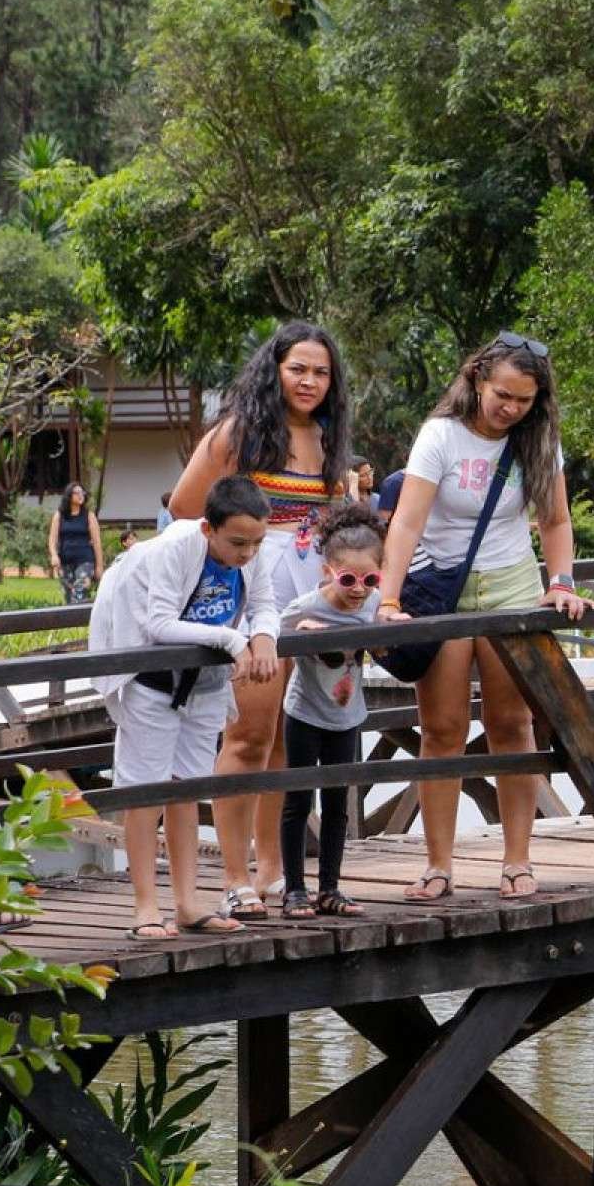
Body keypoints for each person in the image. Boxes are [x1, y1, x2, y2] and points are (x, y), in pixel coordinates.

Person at [374, 331, 590, 902]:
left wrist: (561, 582)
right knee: (442, 729)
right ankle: (437, 865)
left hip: (511, 588)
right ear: (477, 380)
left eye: (523, 400)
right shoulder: (440, 436)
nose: (510, 409)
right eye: (503, 395)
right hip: (442, 592)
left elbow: (555, 521)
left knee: (512, 726)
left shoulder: (538, 441)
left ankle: (517, 860)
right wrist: (388, 601)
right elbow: (406, 523)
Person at [168, 321, 354, 920]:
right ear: (275, 370)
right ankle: (233, 877)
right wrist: (232, 566)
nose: (309, 381)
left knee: (286, 740)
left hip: (313, 597)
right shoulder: (238, 434)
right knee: (248, 736)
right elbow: (185, 507)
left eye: (321, 372)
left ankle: (273, 868)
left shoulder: (327, 438)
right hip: (253, 591)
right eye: (298, 368)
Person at [89, 475, 284, 939]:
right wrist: (232, 639)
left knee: (187, 789)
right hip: (151, 679)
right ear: (208, 529)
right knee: (146, 792)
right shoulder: (175, 549)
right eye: (237, 543)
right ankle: (145, 907)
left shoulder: (251, 554)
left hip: (204, 683)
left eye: (256, 543)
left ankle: (187, 902)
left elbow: (264, 605)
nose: (247, 553)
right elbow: (158, 623)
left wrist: (263, 637)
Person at [274, 501, 385, 916]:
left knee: (338, 804)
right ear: (328, 572)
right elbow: (272, 631)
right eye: (348, 579)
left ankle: (331, 888)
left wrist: (389, 628)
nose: (358, 589)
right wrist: (299, 633)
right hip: (305, 712)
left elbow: (385, 631)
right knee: (298, 802)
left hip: (347, 715)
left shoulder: (373, 604)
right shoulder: (307, 606)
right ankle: (294, 889)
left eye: (369, 579)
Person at [51, 480, 104, 601]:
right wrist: (54, 555)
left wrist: (99, 566)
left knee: (79, 593)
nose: (81, 495)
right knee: (68, 598)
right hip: (65, 562)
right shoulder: (59, 515)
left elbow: (97, 542)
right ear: (69, 495)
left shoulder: (89, 516)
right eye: (77, 493)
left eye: (82, 492)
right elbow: (52, 539)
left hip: (85, 561)